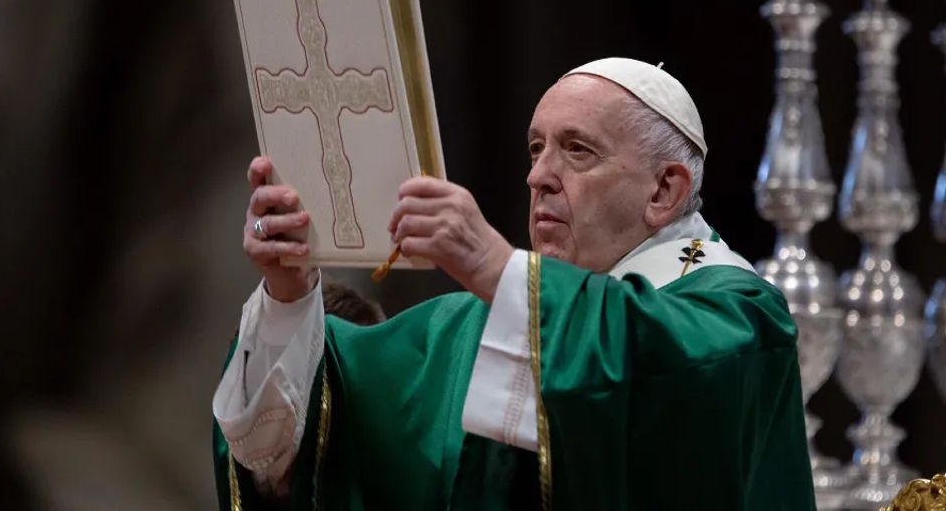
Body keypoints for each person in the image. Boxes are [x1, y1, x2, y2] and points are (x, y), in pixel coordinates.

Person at [212, 58, 814, 510]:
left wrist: (492, 265)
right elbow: (297, 442)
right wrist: (289, 292)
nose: (539, 175)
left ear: (665, 191)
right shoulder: (473, 323)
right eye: (535, 148)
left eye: (577, 150)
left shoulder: (735, 318)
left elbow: (657, 377)